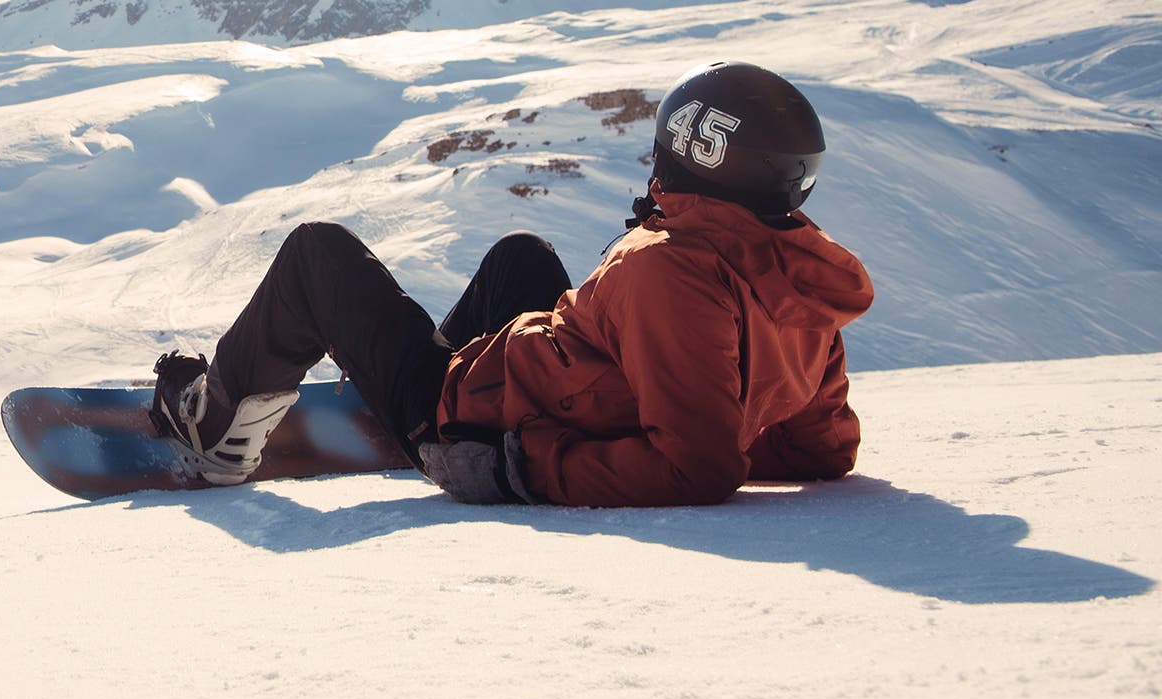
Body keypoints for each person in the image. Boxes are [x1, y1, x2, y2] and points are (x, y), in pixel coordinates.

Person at [150, 60, 875, 507]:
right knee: (520, 255)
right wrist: (713, 429)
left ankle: (216, 433)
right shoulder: (802, 281)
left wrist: (522, 467)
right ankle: (391, 395)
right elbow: (820, 450)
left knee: (317, 252)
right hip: (544, 387)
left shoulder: (664, 271)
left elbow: (698, 470)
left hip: (475, 427)